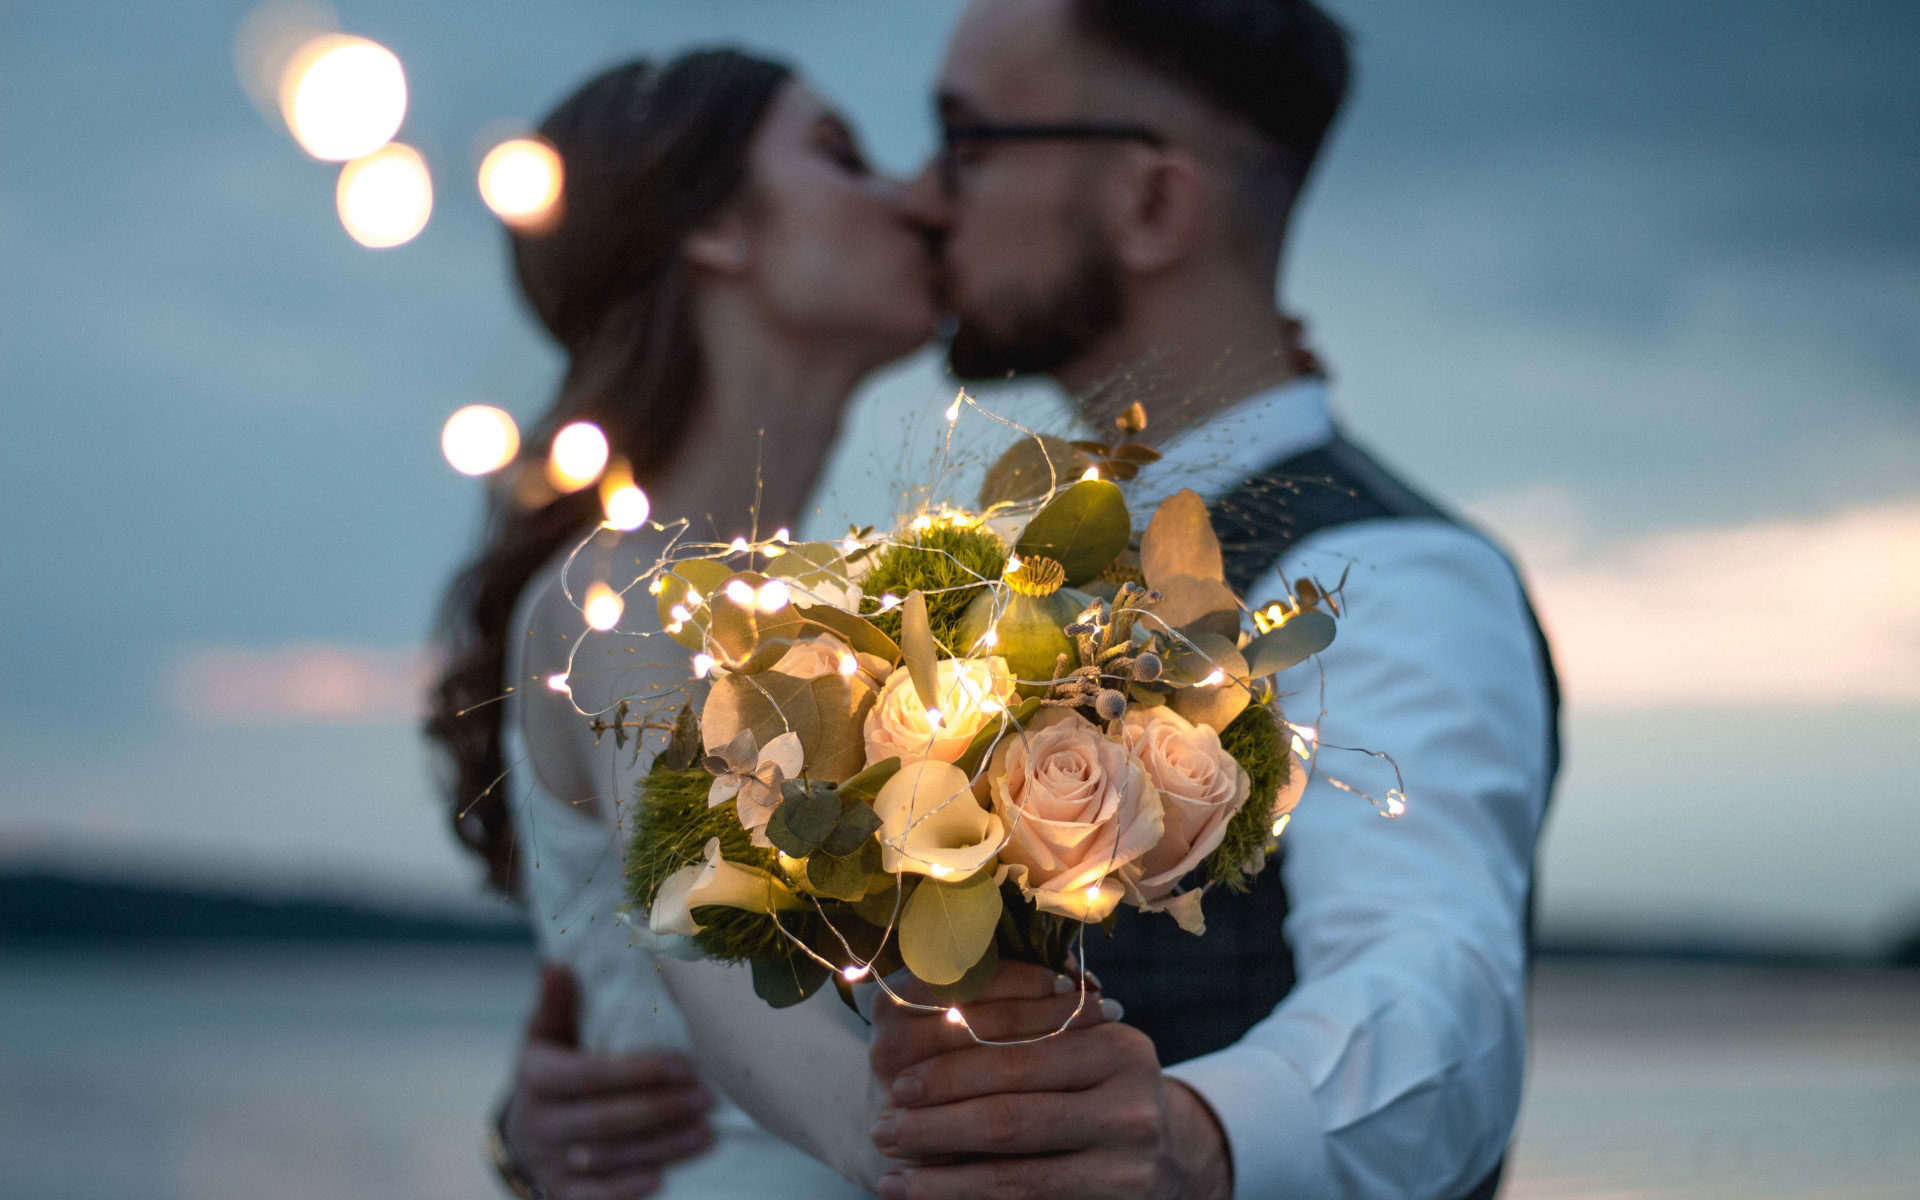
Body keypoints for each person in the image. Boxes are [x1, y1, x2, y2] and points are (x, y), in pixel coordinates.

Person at [653, 2, 1561, 1198]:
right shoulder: (1023, 565)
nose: (924, 196)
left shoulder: (1379, 574)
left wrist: (1199, 1134)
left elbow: (1440, 991)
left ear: (1151, 206)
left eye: (968, 143)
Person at [425, 49, 938, 1199]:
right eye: (842, 157)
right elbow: (714, 942)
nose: (915, 197)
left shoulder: (828, 607)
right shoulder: (619, 591)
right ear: (716, 229)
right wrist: (937, 1151)